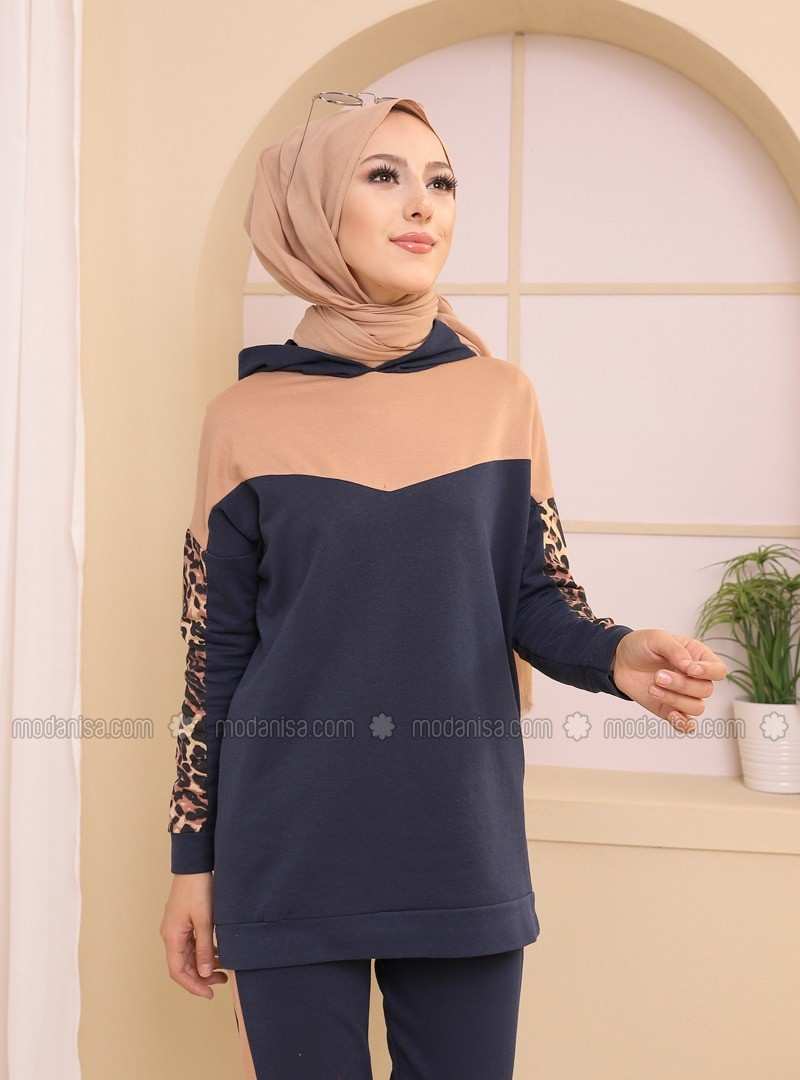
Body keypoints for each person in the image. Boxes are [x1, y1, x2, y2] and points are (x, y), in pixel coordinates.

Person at [159, 94, 727, 1077]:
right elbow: (214, 660)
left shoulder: (498, 397)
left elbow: (535, 598)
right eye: (382, 176)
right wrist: (191, 865)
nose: (422, 204)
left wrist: (619, 655)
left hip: (459, 837)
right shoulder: (244, 417)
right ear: (311, 210)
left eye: (441, 181)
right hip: (284, 846)